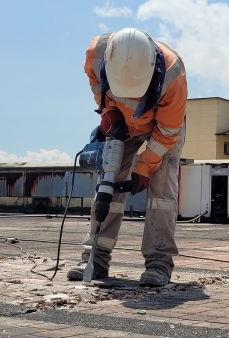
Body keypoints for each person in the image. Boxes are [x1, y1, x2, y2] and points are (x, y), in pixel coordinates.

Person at [68, 28, 187, 287]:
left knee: (162, 193)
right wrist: (108, 113)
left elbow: (167, 135)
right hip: (122, 124)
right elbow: (96, 85)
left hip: (161, 128)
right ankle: (95, 259)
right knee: (108, 185)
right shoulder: (96, 53)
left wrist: (143, 168)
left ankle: (159, 263)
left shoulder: (172, 74)